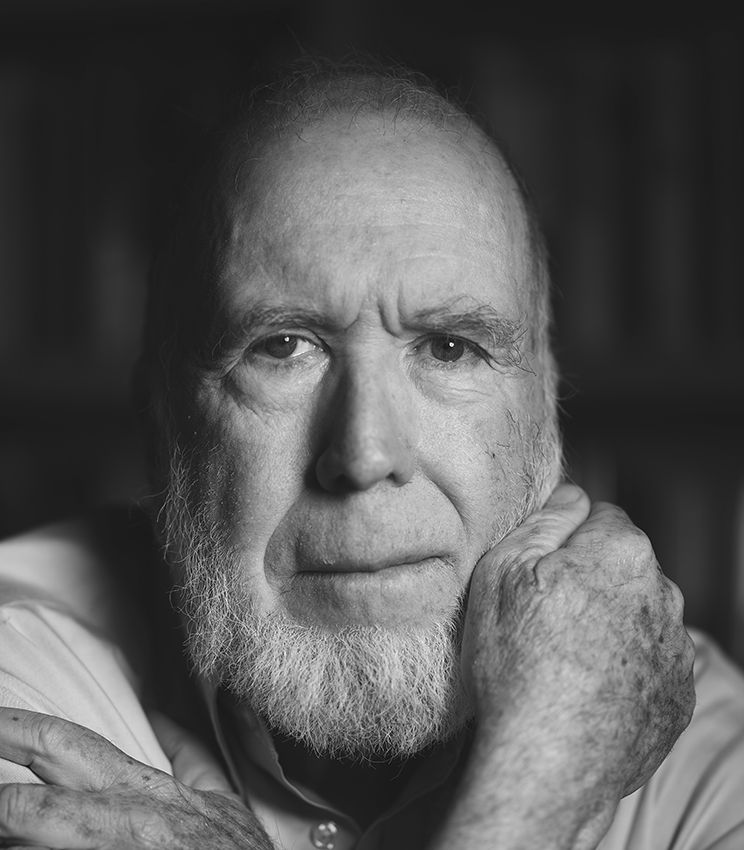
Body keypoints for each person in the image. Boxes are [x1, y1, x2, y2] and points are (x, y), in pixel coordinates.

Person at [0, 58, 741, 849]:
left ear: (545, 420)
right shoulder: (23, 675)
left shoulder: (699, 749)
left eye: (449, 348)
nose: (363, 455)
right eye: (282, 346)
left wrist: (555, 753)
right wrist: (541, 800)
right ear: (161, 426)